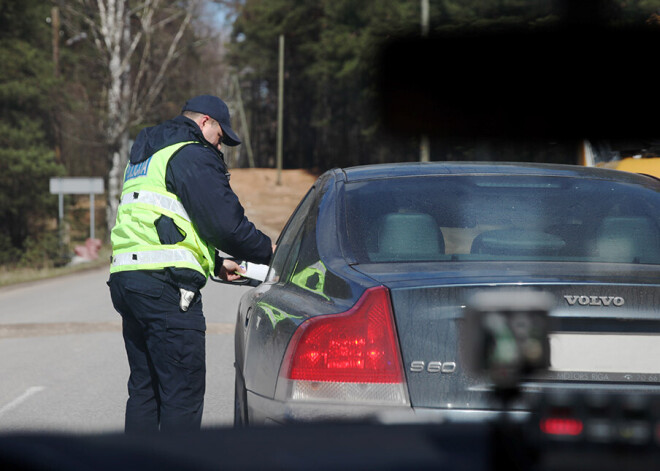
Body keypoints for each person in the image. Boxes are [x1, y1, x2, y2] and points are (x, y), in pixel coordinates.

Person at [107, 95, 273, 433]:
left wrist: (214, 261)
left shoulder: (146, 156)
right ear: (205, 122)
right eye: (220, 136)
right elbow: (225, 224)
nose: (220, 145)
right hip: (166, 289)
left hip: (129, 283)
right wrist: (273, 252)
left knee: (145, 391)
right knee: (181, 393)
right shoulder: (191, 153)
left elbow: (165, 222)